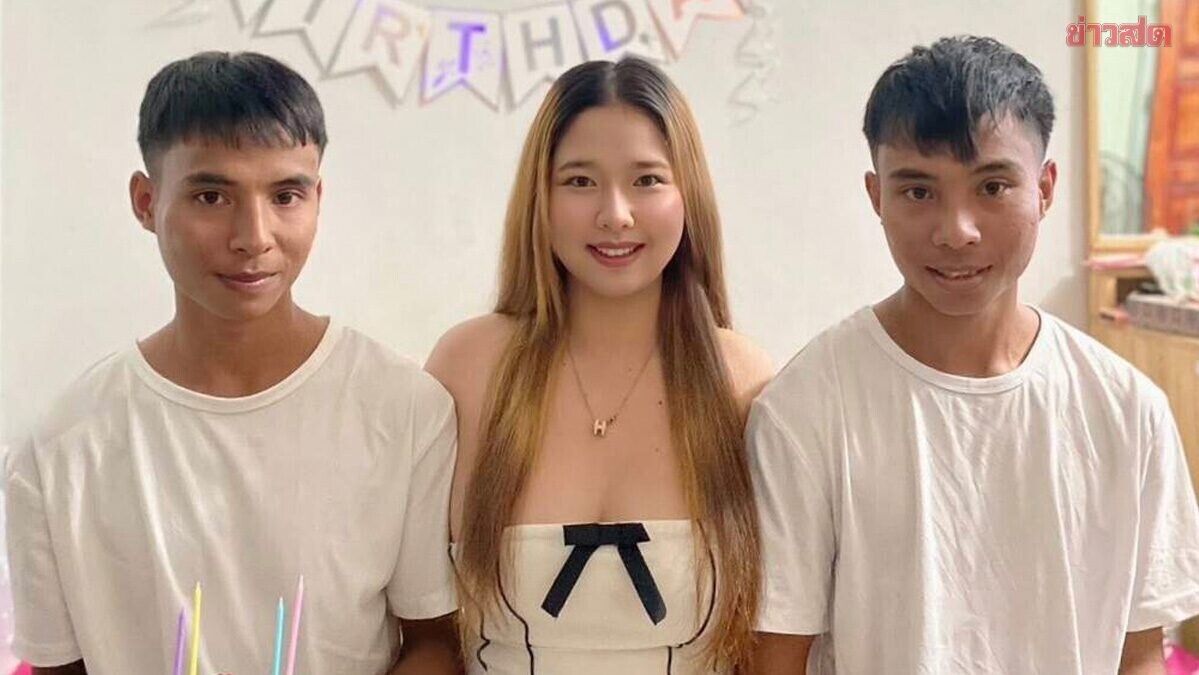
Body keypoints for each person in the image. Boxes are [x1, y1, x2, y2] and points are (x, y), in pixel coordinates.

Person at [748, 36, 1199, 675]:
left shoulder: (1128, 411)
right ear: (877, 198)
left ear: (1044, 189)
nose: (956, 230)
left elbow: (1143, 655)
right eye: (918, 192)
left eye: (992, 186)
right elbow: (776, 658)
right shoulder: (805, 411)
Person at [5, 51, 461, 675]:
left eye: (286, 195)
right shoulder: (59, 450)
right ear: (146, 201)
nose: (254, 237)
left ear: (318, 198)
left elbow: (436, 641)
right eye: (212, 196)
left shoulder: (405, 409)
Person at [426, 57, 773, 674]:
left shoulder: (742, 380)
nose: (615, 214)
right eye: (580, 181)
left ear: (688, 194)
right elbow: (427, 637)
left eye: (647, 180)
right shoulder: (469, 366)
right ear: (540, 196)